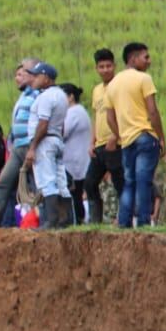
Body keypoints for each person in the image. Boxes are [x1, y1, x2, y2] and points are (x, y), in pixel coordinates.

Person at [105, 42, 164, 229]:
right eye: (145, 57)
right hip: (146, 136)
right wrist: (161, 137)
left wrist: (120, 135)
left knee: (129, 183)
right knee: (144, 181)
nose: (149, 61)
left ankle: (124, 222)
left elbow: (109, 117)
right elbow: (152, 111)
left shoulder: (112, 84)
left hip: (128, 141)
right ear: (133, 58)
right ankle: (145, 222)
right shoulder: (144, 79)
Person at [0, 59, 41, 227]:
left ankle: (44, 218)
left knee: (38, 184)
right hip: (18, 147)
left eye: (21, 73)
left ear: (32, 74)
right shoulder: (23, 96)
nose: (17, 78)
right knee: (4, 181)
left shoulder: (38, 94)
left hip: (31, 146)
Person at [24, 62, 72, 229]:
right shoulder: (61, 95)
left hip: (45, 141)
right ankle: (66, 220)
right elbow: (62, 124)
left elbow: (43, 123)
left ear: (46, 77)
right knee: (61, 182)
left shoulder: (45, 97)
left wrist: (32, 148)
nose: (34, 79)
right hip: (57, 139)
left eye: (37, 76)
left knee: (47, 181)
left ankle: (51, 221)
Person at [85, 48, 124, 223]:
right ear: (96, 69)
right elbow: (96, 116)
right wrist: (91, 141)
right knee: (90, 183)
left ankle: (124, 220)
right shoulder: (96, 90)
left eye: (109, 66)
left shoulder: (120, 86)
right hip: (99, 145)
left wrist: (115, 138)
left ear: (114, 66)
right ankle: (95, 222)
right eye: (101, 66)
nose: (105, 69)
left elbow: (124, 114)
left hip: (116, 143)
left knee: (119, 183)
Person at [61, 83, 91, 225]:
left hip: (74, 162)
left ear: (70, 97)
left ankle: (77, 221)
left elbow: (62, 132)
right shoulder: (79, 111)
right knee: (77, 194)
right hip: (79, 160)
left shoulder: (73, 112)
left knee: (74, 195)